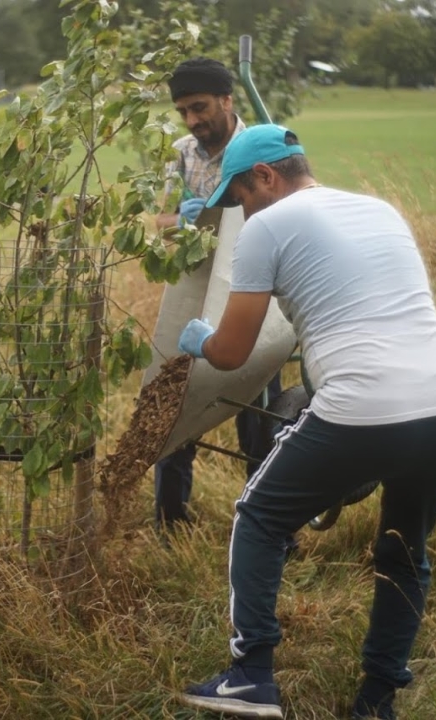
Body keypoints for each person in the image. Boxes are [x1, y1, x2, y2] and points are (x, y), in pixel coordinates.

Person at [174, 124, 436, 720]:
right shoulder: (380, 208)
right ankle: (376, 700)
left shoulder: (266, 225)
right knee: (402, 550)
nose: (238, 211)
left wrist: (201, 340)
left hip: (363, 406)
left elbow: (234, 353)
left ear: (265, 176)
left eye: (236, 197)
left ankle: (251, 675)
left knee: (259, 517)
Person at [153, 57, 283, 532]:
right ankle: (170, 525)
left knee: (257, 414)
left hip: (251, 294)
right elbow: (160, 221)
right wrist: (181, 221)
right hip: (194, 294)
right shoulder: (180, 153)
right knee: (174, 407)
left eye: (201, 107)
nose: (193, 120)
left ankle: (264, 524)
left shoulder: (262, 145)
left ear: (228, 100)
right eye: (183, 111)